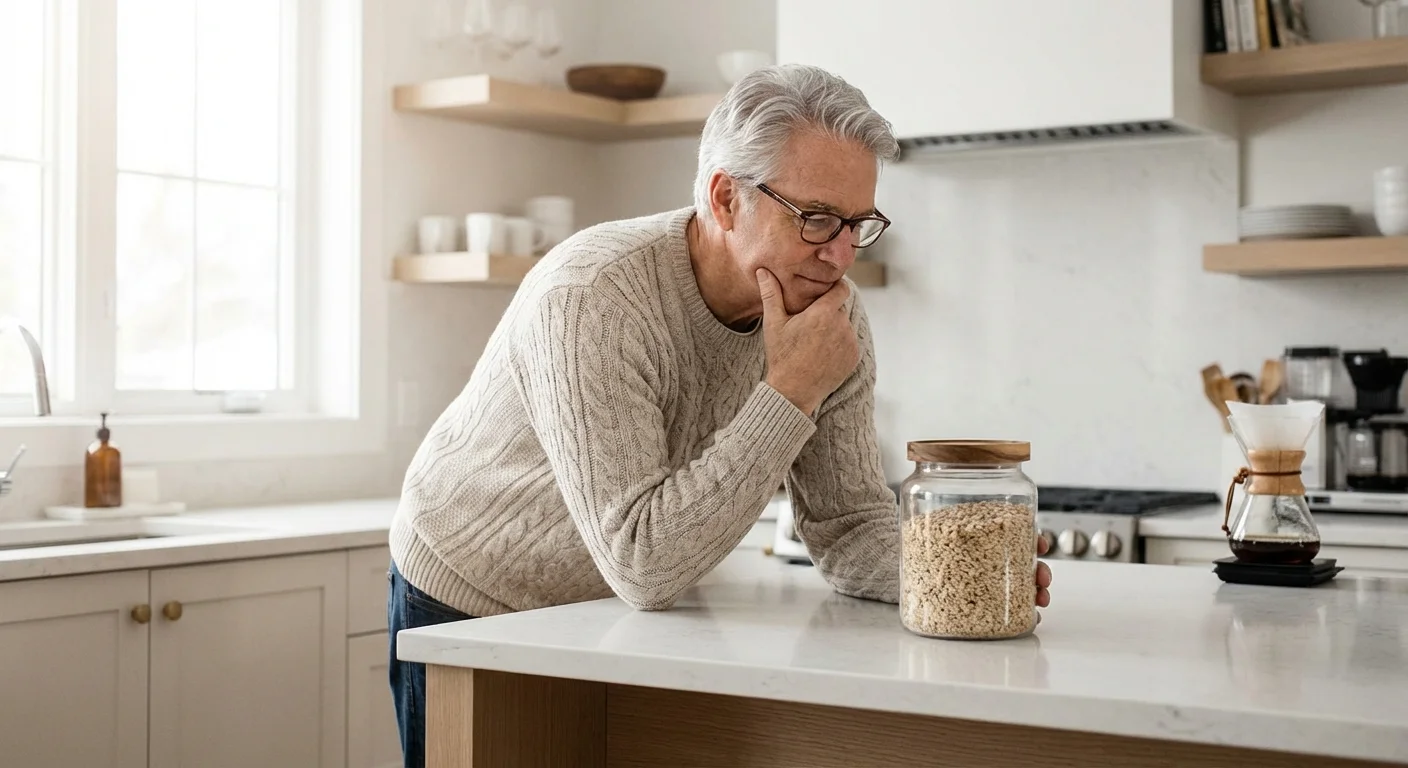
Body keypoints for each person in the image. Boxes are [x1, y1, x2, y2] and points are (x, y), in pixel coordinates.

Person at [386, 63, 1054, 767]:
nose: (839, 254)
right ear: (726, 197)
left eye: (859, 224)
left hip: (610, 609)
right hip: (471, 592)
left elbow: (849, 521)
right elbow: (644, 562)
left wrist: (952, 574)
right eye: (817, 219)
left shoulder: (831, 314)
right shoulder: (593, 296)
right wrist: (791, 390)